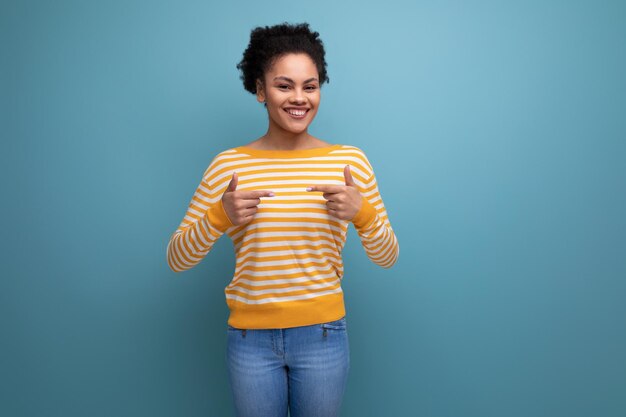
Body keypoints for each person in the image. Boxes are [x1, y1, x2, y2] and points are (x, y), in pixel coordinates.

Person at [166, 22, 399, 417]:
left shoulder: (349, 162)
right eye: (284, 85)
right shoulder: (229, 165)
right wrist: (219, 216)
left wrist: (362, 213)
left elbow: (387, 255)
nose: (299, 98)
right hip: (249, 341)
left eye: (310, 86)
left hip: (323, 335)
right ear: (260, 90)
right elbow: (176, 258)